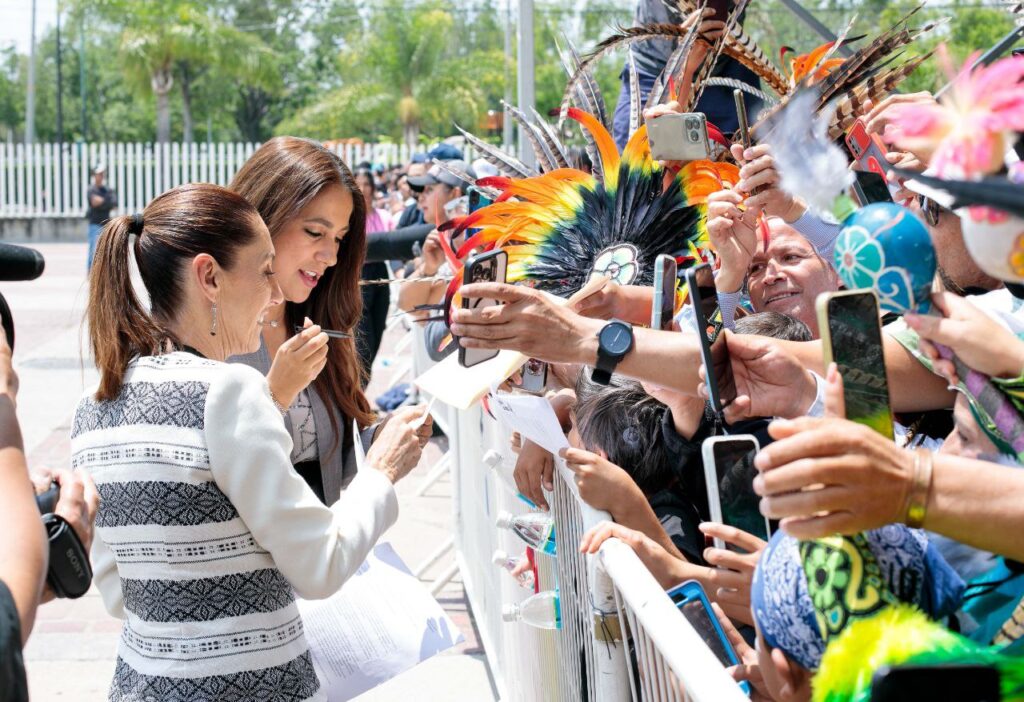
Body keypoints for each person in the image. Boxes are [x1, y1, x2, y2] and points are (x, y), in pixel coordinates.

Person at [76, 182, 425, 700]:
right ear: (209, 277)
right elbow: (320, 565)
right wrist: (382, 472)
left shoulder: (93, 405)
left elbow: (118, 591)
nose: (276, 294)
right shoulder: (228, 390)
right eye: (264, 272)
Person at [229, 138, 430, 505]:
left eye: (339, 238)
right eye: (315, 232)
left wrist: (382, 440)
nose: (331, 256)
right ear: (262, 218)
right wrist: (275, 395)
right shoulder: (204, 334)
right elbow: (209, 475)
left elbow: (327, 461)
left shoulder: (320, 322)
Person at [355, 167, 395, 374]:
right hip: (358, 274)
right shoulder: (350, 218)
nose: (363, 189)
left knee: (378, 327)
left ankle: (364, 379)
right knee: (364, 334)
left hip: (380, 273)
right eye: (359, 184)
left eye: (367, 184)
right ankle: (360, 382)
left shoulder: (383, 216)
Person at [85, 164, 117, 271]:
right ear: (94, 175)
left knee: (107, 250)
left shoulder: (108, 190)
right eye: (99, 174)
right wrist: (106, 201)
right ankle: (90, 272)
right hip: (94, 224)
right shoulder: (91, 189)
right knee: (93, 250)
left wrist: (101, 201)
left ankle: (104, 272)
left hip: (105, 224)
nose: (101, 176)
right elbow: (94, 202)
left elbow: (114, 204)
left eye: (102, 174)